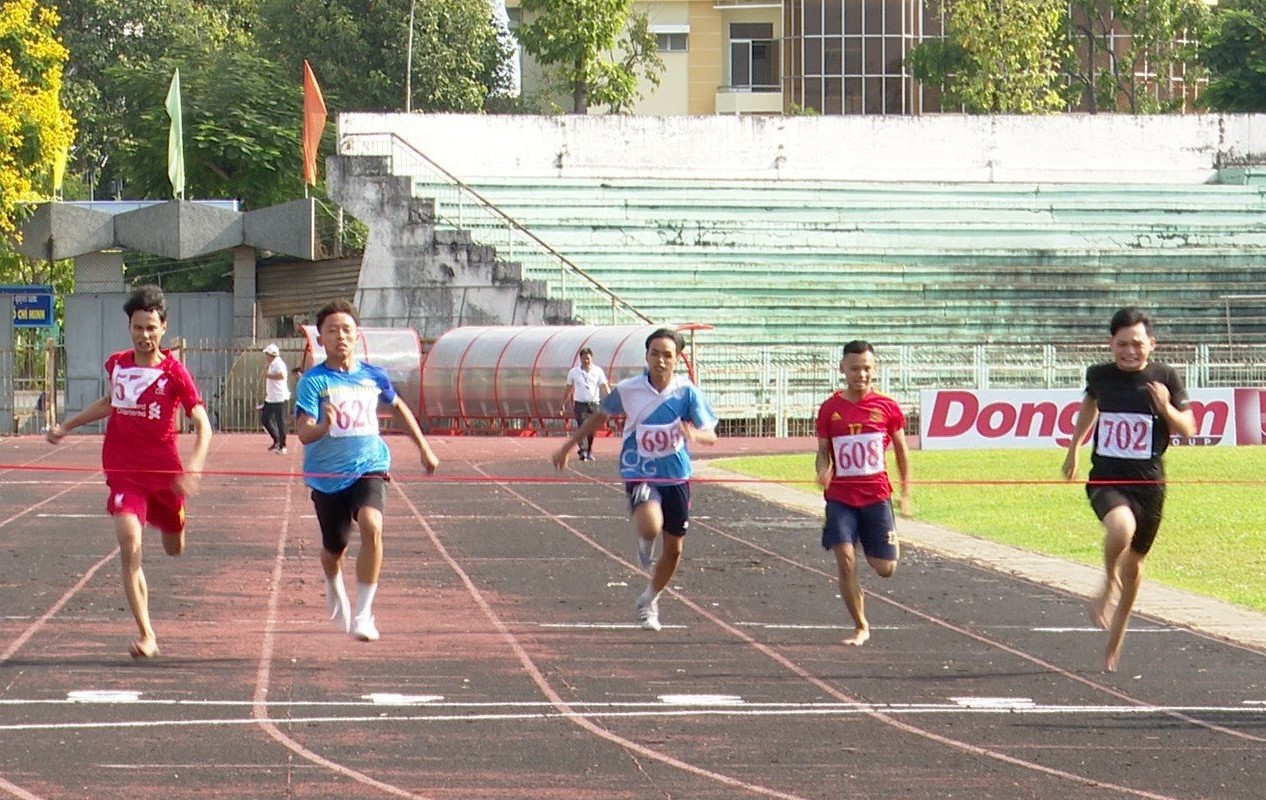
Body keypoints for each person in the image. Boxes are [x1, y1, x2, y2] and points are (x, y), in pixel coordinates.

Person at [46, 284, 212, 659]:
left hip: (165, 477)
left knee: (174, 547)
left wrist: (195, 468)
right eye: (138, 327)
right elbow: (111, 402)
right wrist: (66, 426)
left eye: (151, 328)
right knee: (129, 543)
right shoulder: (118, 364)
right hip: (124, 472)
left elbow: (203, 424)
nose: (144, 335)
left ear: (163, 327)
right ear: (129, 328)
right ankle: (147, 634)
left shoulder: (174, 373)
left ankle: (174, 521)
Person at [551, 328, 717, 631]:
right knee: (650, 524)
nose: (660, 361)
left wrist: (694, 434)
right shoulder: (629, 389)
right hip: (639, 469)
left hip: (676, 476)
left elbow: (712, 435)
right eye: (655, 354)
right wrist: (568, 446)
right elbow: (599, 417)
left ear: (677, 359)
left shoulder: (687, 393)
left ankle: (649, 599)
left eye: (667, 355)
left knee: (675, 550)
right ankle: (646, 536)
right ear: (647, 356)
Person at [295, 298, 440, 642]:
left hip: (370, 465)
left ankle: (364, 614)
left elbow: (399, 408)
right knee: (334, 550)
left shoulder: (373, 376)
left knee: (372, 526)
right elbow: (303, 432)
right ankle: (333, 582)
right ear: (320, 339)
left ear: (357, 336)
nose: (340, 336)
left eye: (347, 330)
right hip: (328, 478)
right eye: (332, 331)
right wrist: (323, 426)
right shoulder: (313, 382)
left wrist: (424, 448)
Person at [1062, 307, 1195, 673]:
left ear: (1151, 344)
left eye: (1137, 344)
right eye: (1122, 344)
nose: (1130, 351)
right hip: (1106, 477)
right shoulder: (1100, 375)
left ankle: (1117, 635)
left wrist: (1165, 407)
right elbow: (1089, 404)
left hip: (1148, 485)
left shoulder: (1165, 377)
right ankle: (1108, 582)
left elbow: (1188, 428)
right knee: (1121, 528)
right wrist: (1074, 448)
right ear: (1111, 344)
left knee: (1134, 565)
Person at [814, 340, 912, 647]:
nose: (861, 374)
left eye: (867, 368)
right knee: (845, 559)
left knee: (885, 569)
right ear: (843, 369)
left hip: (876, 497)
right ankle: (860, 626)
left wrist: (906, 491)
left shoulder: (887, 407)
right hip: (840, 498)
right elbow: (822, 452)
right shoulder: (830, 409)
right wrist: (823, 471)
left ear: (874, 369)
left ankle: (876, 543)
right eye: (855, 368)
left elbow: (901, 450)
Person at [558, 346, 611, 461]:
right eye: (584, 359)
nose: (586, 361)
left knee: (592, 428)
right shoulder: (574, 372)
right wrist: (563, 404)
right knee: (582, 425)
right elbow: (568, 388)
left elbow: (604, 386)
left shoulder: (598, 371)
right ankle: (583, 451)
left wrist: (611, 398)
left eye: (588, 359)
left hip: (594, 403)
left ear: (592, 358)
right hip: (580, 404)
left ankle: (589, 450)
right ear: (580, 359)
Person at [261, 343, 290, 454]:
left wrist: (268, 376)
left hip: (279, 397)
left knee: (280, 421)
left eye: (267, 354)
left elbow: (282, 376)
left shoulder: (278, 363)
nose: (265, 357)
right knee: (265, 419)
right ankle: (276, 439)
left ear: (271, 355)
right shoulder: (271, 364)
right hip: (271, 397)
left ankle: (283, 446)